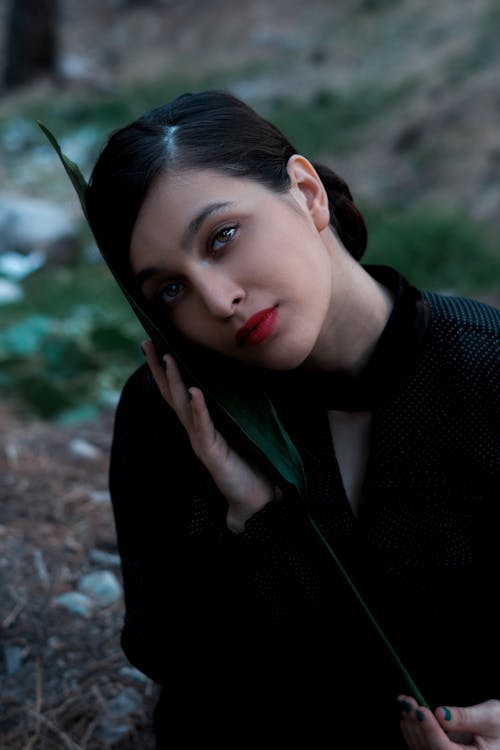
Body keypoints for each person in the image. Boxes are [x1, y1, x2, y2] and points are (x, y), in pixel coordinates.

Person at [85, 90, 500, 749]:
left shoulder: (486, 370)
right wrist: (254, 521)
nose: (217, 302)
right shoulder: (173, 414)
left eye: (221, 237)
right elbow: (176, 662)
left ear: (306, 192)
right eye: (170, 289)